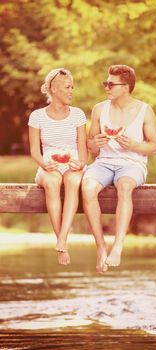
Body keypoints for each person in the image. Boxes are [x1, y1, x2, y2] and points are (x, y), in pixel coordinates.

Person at [82, 64, 156, 273]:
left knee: (124, 188)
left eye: (111, 84)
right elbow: (91, 148)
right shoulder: (99, 109)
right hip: (104, 163)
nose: (106, 87)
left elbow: (155, 146)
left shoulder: (144, 110)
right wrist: (94, 144)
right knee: (87, 188)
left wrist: (134, 146)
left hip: (132, 165)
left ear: (126, 87)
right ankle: (101, 247)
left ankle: (118, 246)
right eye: (105, 83)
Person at [28, 68, 87, 265]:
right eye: (67, 87)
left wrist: (80, 163)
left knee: (72, 181)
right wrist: (45, 164)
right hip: (48, 167)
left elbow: (83, 149)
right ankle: (60, 241)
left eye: (73, 87)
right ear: (53, 89)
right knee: (53, 182)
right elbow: (35, 151)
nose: (72, 91)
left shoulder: (78, 114)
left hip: (73, 165)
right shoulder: (37, 116)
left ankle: (63, 238)